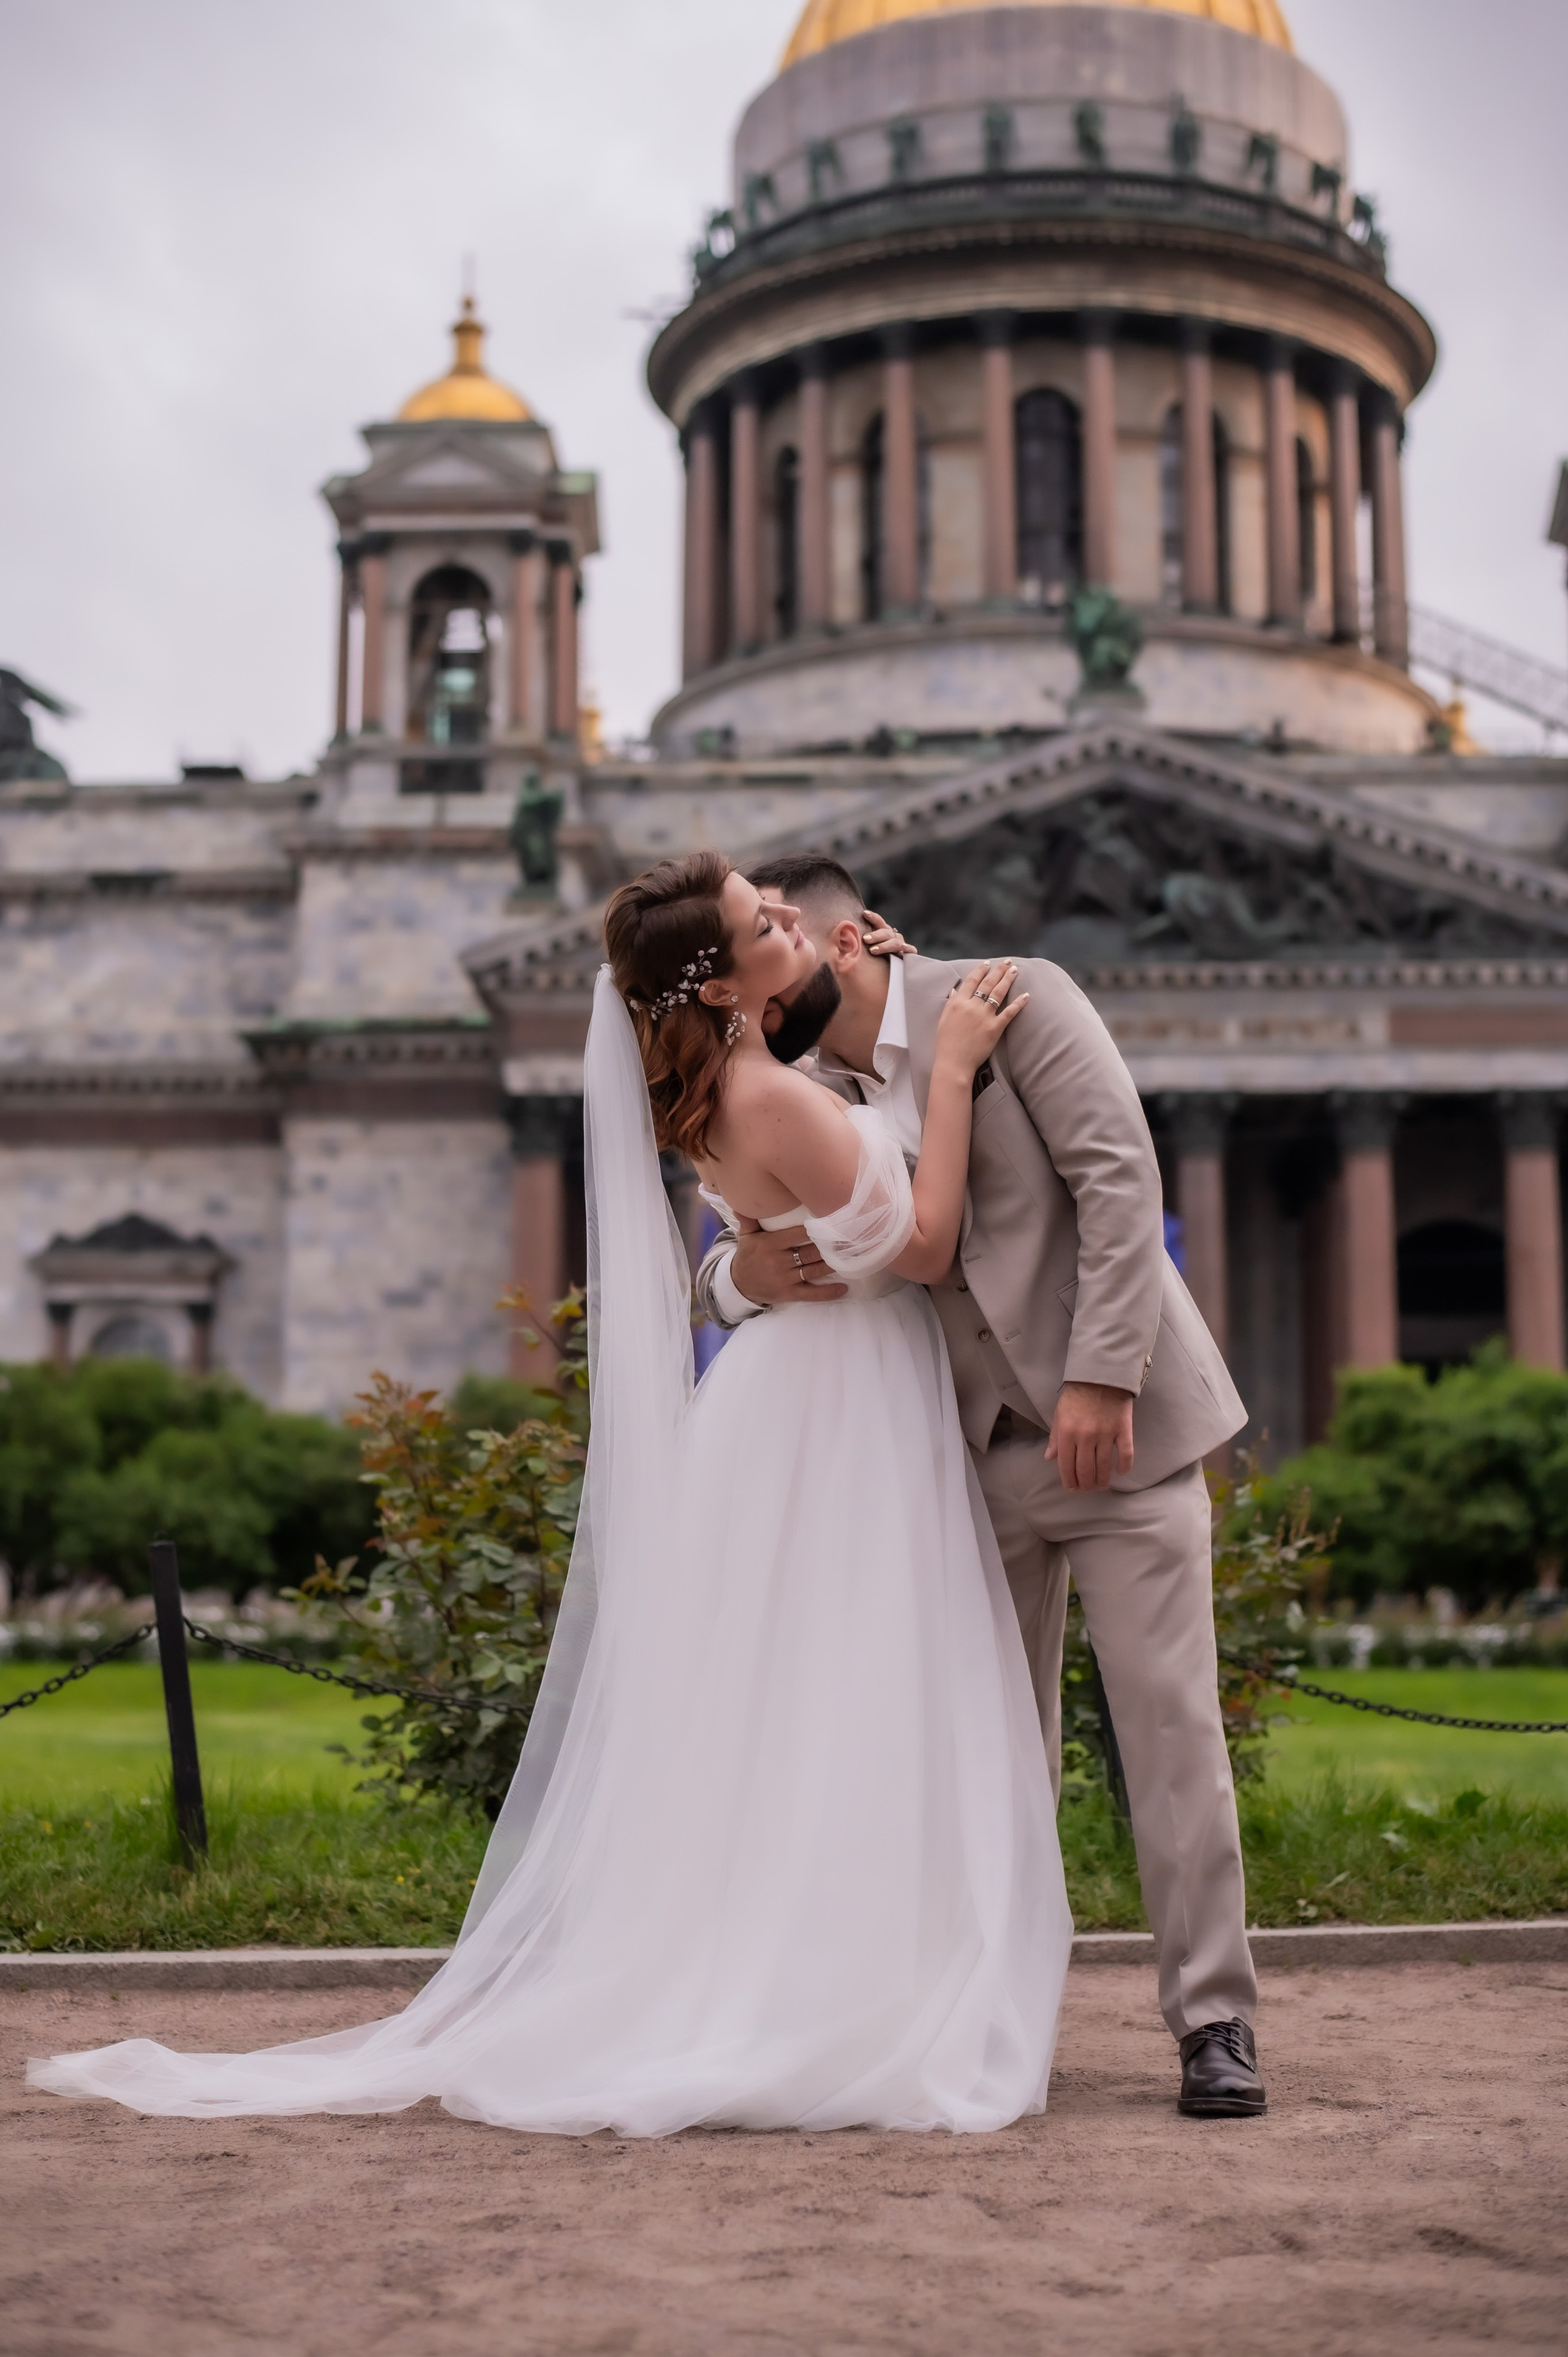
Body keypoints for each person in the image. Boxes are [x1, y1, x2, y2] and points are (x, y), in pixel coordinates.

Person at [29, 851, 1073, 2136]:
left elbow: (764, 1233)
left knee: (788, 1695)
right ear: (719, 973)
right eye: (762, 918)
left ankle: (801, 1965)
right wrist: (955, 1062)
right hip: (851, 1398)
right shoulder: (770, 1093)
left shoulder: (709, 1097)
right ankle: (855, 1984)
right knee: (857, 1677)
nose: (791, 916)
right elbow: (914, 1243)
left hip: (783, 1397)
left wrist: (756, 1250)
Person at [693, 854, 1265, 2121]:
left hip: (1123, 1442)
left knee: (1169, 1736)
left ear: (846, 941)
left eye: (779, 932)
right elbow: (731, 1258)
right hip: (955, 1465)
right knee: (977, 1762)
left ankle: (1214, 2020)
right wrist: (742, 1285)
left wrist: (1103, 1379)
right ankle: (992, 2020)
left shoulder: (1020, 999)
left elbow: (1119, 1180)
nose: (763, 962)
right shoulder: (795, 1093)